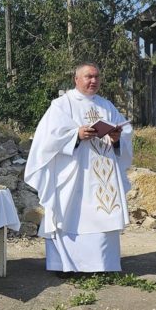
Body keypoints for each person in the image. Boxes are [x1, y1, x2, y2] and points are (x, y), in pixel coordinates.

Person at [24, 62, 133, 273]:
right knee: (69, 216)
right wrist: (76, 136)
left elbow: (126, 131)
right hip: (73, 174)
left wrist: (118, 136)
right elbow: (46, 139)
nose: (93, 81)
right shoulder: (61, 105)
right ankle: (66, 266)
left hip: (103, 174)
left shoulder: (107, 105)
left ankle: (103, 265)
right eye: (88, 76)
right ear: (76, 79)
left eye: (97, 77)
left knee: (102, 217)